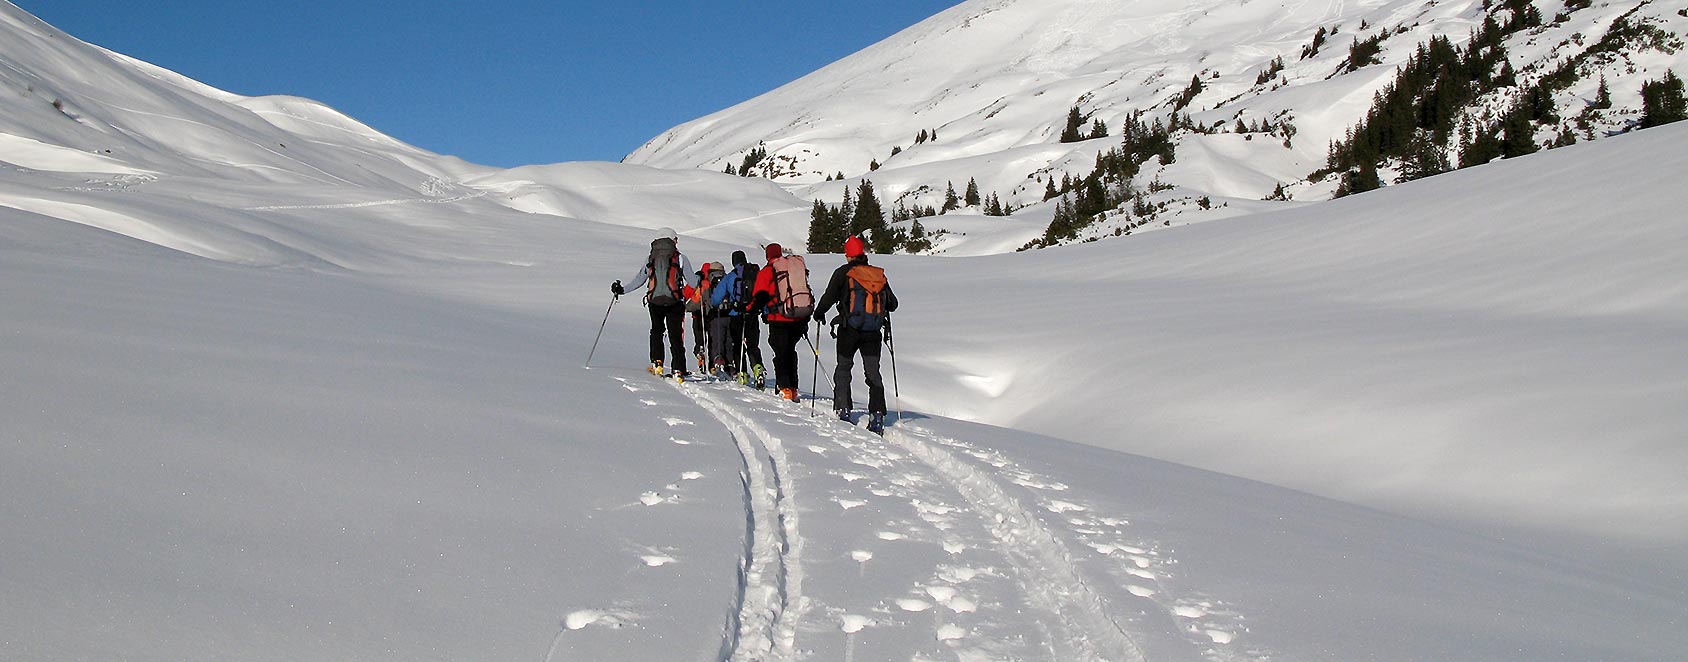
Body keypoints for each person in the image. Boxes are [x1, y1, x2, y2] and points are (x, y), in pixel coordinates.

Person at [815, 235, 898, 433]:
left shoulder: (843, 273)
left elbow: (829, 297)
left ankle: (843, 408)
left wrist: (819, 313)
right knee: (873, 373)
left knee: (844, 367)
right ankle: (877, 414)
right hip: (873, 332)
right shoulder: (877, 275)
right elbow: (893, 304)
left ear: (847, 254)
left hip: (848, 329)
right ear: (863, 253)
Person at [611, 227, 699, 378]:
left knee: (656, 331)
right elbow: (692, 281)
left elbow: (640, 279)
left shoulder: (651, 258)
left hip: (655, 301)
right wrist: (700, 277)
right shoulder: (680, 258)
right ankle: (678, 368)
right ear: (673, 240)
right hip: (675, 301)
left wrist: (622, 290)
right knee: (675, 335)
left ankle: (657, 362)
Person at [747, 243, 814, 402]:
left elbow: (760, 295)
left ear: (767, 255)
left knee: (781, 353)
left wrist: (750, 309)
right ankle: (793, 387)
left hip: (779, 318)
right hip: (798, 317)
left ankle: (785, 387)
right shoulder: (792, 267)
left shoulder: (768, 270)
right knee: (791, 351)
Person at [709, 251, 764, 386]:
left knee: (738, 346)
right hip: (752, 314)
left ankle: (742, 373)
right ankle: (758, 368)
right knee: (752, 345)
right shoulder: (755, 274)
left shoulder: (731, 276)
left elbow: (716, 298)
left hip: (736, 315)